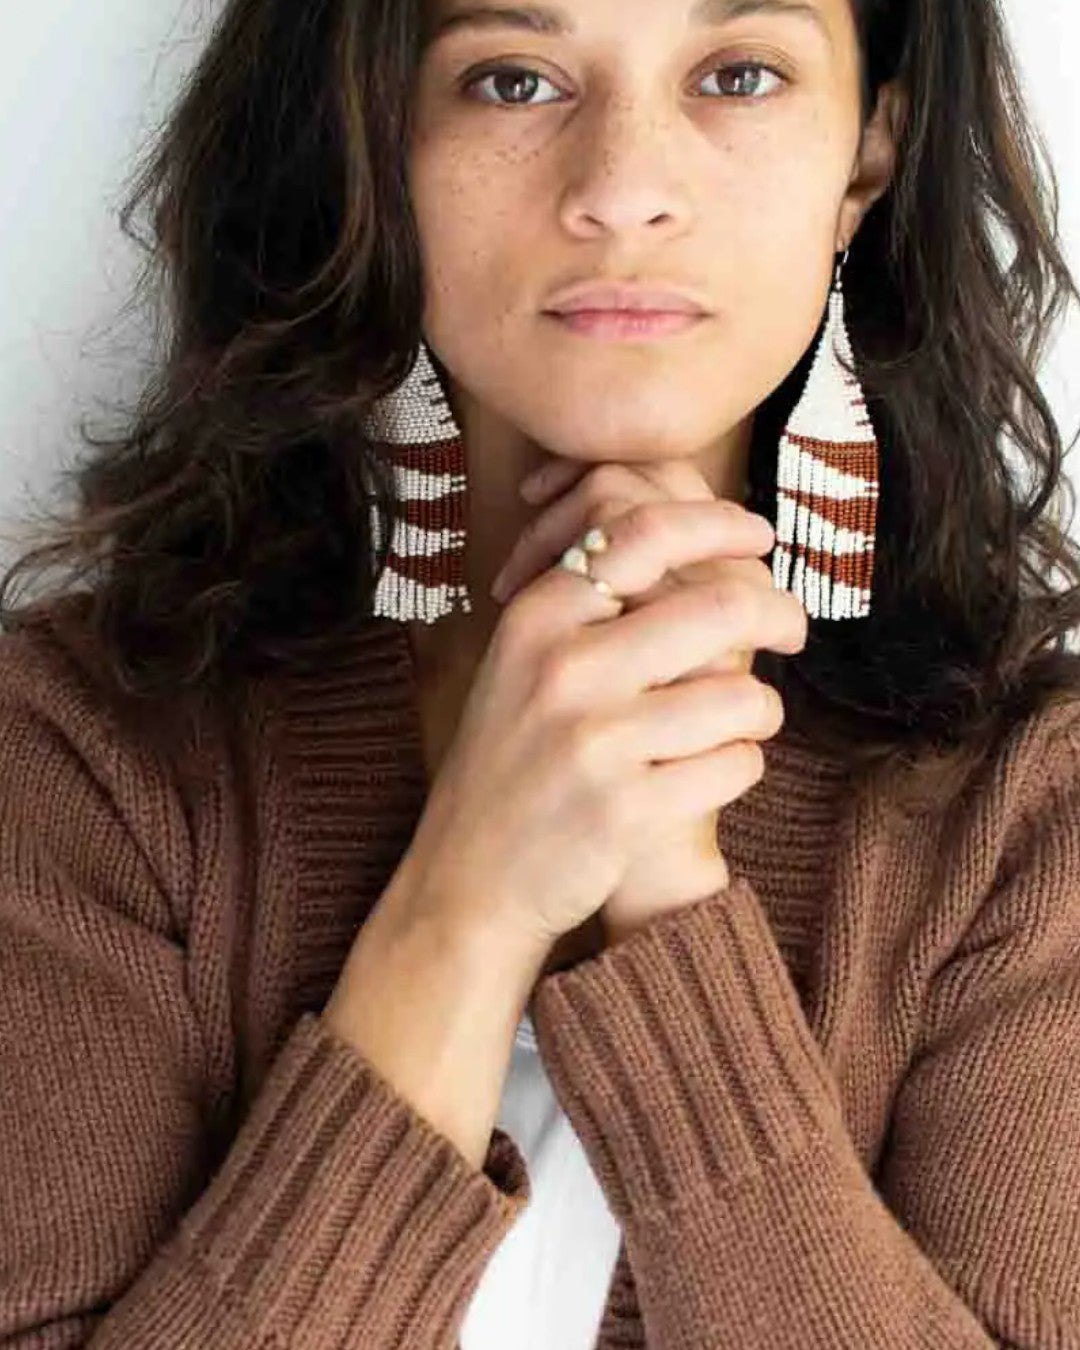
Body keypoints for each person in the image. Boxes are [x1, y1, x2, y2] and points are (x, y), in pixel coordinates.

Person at [1, 0, 1079, 1345]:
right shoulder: (78, 748)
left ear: (867, 156)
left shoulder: (1030, 813)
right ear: (373, 139)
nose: (623, 188)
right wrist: (467, 902)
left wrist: (675, 912)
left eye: (741, 75)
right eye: (513, 79)